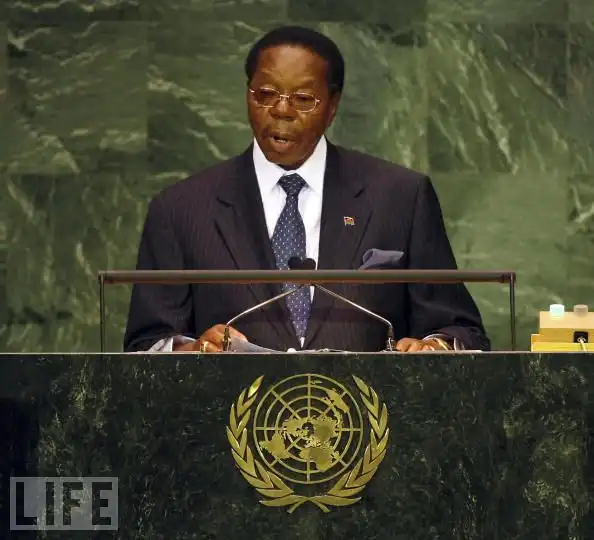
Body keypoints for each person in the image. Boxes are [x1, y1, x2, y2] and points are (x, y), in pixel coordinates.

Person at [123, 25, 490, 354]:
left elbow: (460, 328)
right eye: (266, 94)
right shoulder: (181, 209)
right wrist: (191, 350)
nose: (281, 110)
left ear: (332, 106)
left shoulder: (400, 197)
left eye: (302, 99)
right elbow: (146, 343)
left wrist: (434, 347)